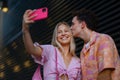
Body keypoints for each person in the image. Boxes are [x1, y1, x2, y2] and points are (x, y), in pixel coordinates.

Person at [22, 9, 81, 80]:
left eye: (66, 31)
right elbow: (31, 49)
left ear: (71, 35)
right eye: (59, 32)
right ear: (56, 37)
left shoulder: (77, 61)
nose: (63, 34)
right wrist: (25, 30)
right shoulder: (50, 51)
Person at [70, 8, 120, 80]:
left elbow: (105, 74)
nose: (70, 28)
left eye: (73, 24)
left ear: (83, 24)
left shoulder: (103, 40)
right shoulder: (82, 51)